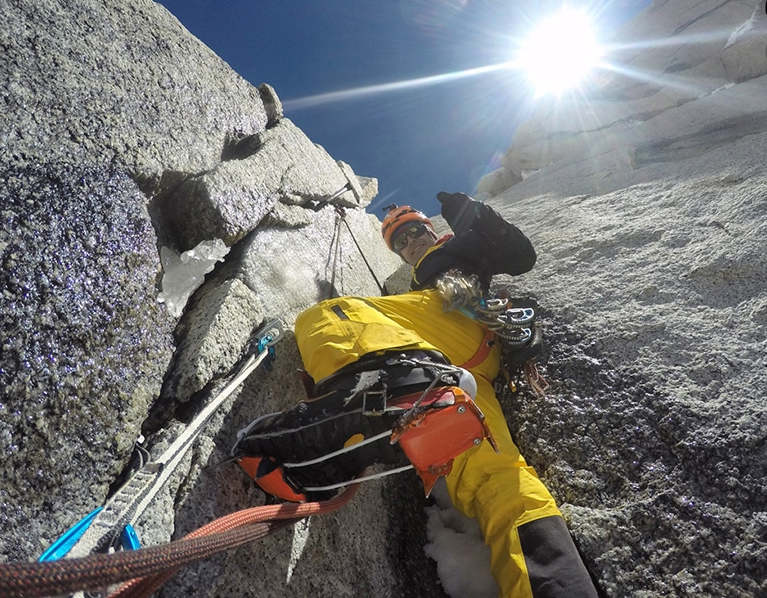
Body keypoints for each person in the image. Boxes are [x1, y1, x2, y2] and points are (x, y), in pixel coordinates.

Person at [234, 192, 598, 598]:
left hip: (453, 324)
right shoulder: (419, 279)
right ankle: (559, 585)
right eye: (401, 243)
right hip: (469, 373)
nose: (411, 243)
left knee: (333, 313)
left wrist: (472, 213)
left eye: (414, 232)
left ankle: (400, 389)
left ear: (430, 229)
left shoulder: (460, 248)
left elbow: (520, 255)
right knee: (497, 475)